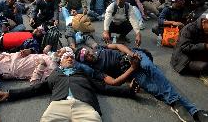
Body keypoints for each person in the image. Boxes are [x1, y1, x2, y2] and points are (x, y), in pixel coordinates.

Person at [75, 45, 208, 122]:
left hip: (135, 56)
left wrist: (131, 54)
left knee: (151, 69)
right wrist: (133, 68)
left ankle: (176, 103)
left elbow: (117, 46)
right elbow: (113, 82)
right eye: (85, 57)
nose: (88, 55)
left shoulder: (99, 47)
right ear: (84, 62)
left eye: (87, 52)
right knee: (155, 89)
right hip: (131, 71)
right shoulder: (96, 70)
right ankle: (194, 111)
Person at [0, 51, 137, 122]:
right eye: (66, 58)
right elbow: (36, 89)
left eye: (72, 58)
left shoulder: (82, 73)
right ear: (60, 62)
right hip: (57, 106)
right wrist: (10, 94)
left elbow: (103, 87)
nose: (69, 58)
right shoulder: (55, 75)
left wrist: (129, 91)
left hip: (85, 107)